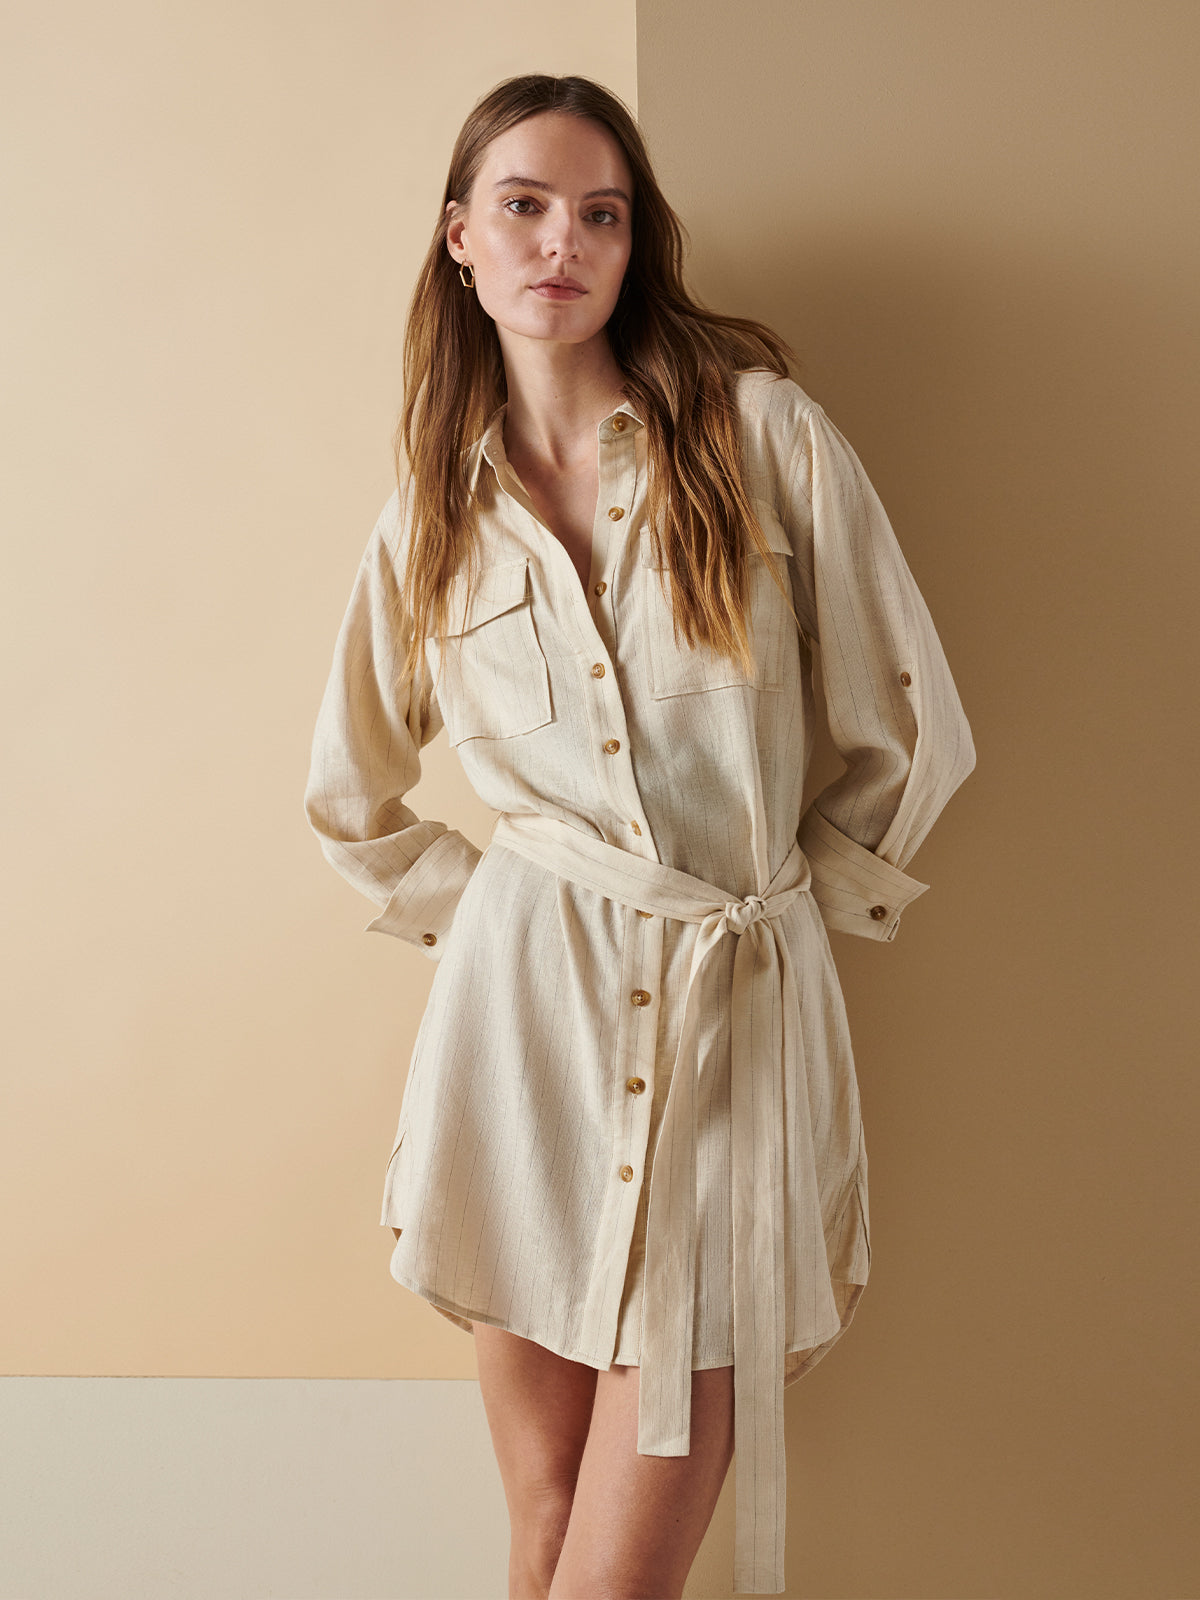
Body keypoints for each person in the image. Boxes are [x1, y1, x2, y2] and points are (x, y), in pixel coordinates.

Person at [305, 72, 975, 1600]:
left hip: (736, 1018)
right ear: (460, 240)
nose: (564, 242)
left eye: (600, 213)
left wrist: (809, 913)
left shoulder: (758, 438)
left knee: (615, 1574)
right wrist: (501, 916)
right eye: (527, 207)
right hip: (521, 1039)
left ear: (634, 243)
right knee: (542, 1527)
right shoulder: (432, 517)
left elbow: (912, 727)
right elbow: (350, 793)